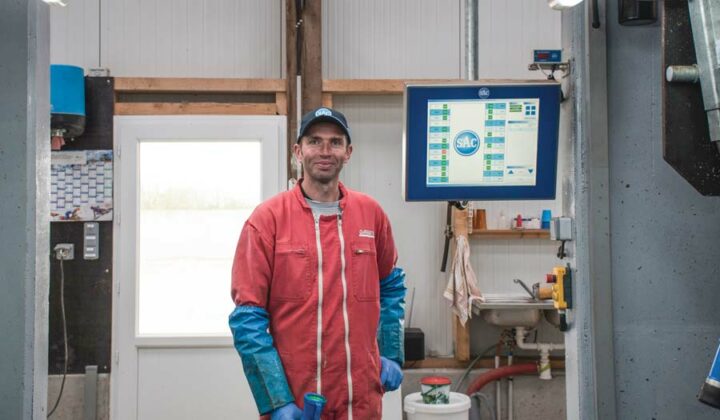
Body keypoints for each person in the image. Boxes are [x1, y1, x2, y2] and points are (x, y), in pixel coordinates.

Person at [229, 107, 406, 420]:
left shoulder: (371, 214)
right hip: (299, 402)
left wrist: (390, 351)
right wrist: (275, 399)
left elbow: (390, 286)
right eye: (314, 141)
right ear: (298, 151)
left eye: (335, 142)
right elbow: (248, 319)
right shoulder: (267, 221)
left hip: (360, 400)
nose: (325, 151)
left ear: (348, 152)